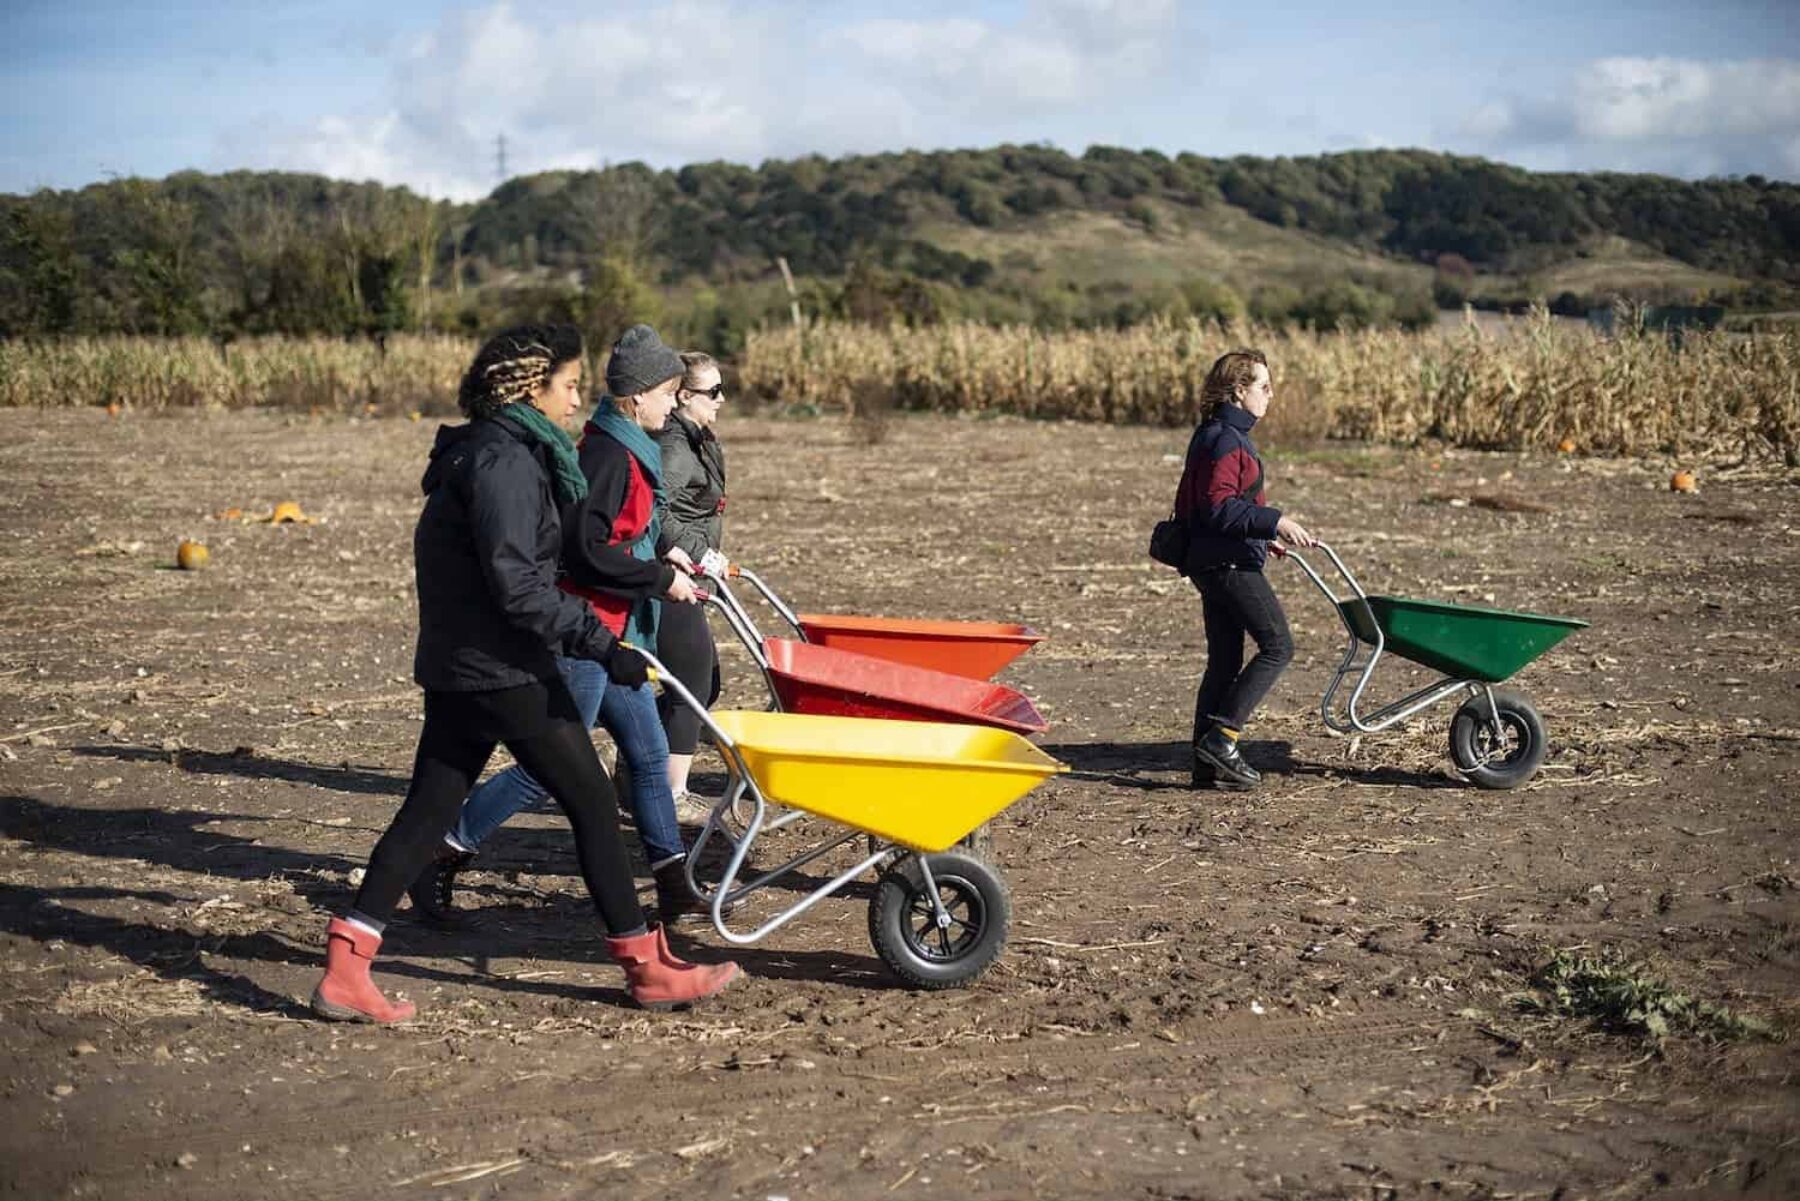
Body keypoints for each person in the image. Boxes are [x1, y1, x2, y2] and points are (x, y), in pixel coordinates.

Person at [309, 324, 739, 1024]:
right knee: (595, 804)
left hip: (461, 664)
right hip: (500, 667)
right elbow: (521, 587)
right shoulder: (503, 463)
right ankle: (647, 966)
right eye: (568, 385)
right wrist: (602, 645)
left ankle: (345, 963)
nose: (576, 399)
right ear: (529, 388)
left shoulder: (489, 452)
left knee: (426, 811)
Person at [410, 324, 715, 927]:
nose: (672, 404)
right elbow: (584, 551)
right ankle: (445, 849)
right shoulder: (609, 455)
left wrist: (660, 557)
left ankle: (673, 883)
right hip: (583, 635)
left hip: (614, 631)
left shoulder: (630, 446)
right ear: (636, 397)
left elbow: (617, 540)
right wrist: (654, 579)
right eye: (667, 394)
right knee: (547, 771)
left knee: (650, 755)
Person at [1174, 348, 1317, 791]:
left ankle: (1205, 763)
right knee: (1278, 645)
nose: (1270, 396)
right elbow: (1219, 507)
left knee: (1225, 660)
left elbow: (1217, 510)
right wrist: (1275, 520)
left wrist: (1261, 536)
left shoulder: (1215, 433)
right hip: (1226, 564)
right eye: (1263, 386)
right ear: (1239, 390)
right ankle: (1223, 738)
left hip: (1214, 559)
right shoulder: (1225, 439)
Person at [655, 351, 730, 821]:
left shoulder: (694, 437)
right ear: (684, 396)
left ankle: (641, 767)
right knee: (692, 682)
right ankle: (672, 794)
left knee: (707, 682)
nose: (722, 400)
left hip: (689, 573)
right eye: (713, 392)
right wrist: (695, 551)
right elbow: (653, 511)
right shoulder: (675, 449)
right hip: (668, 577)